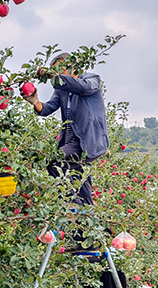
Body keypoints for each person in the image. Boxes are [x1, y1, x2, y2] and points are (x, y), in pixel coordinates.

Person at [22, 52, 110, 207]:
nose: (58, 74)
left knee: (55, 162)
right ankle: (89, 217)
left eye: (60, 69)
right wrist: (35, 101)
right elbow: (48, 108)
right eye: (55, 71)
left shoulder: (91, 79)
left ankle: (72, 205)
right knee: (81, 184)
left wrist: (56, 79)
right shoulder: (62, 90)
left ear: (72, 66)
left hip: (89, 141)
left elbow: (84, 88)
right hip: (71, 143)